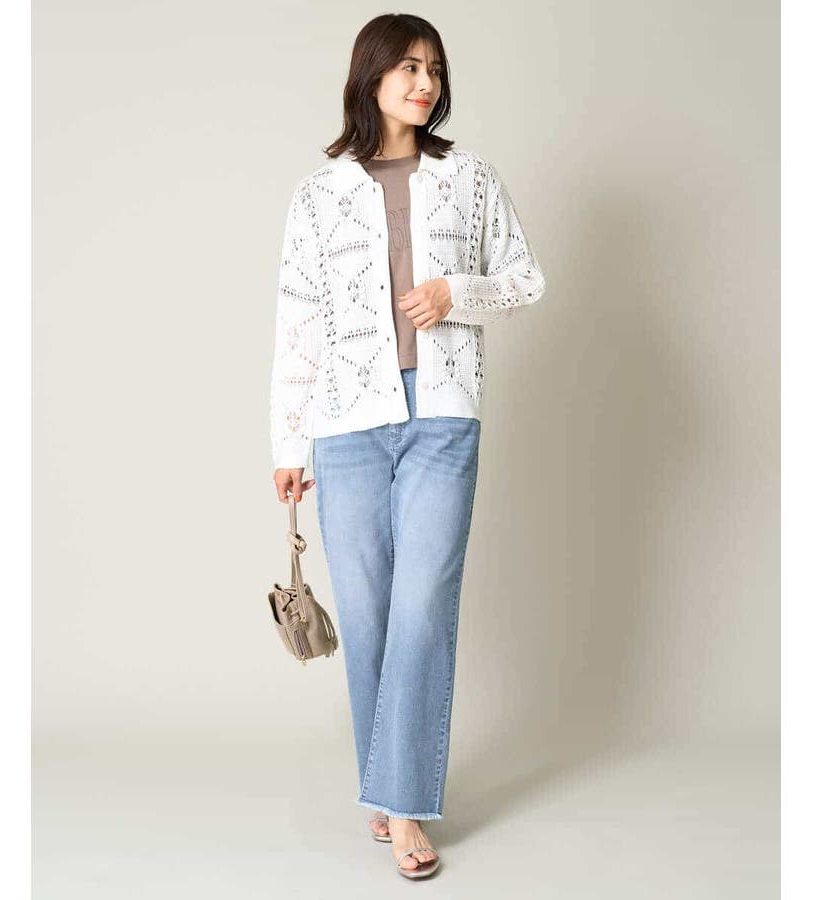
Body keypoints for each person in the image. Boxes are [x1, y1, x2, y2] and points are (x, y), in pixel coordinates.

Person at [268, 13, 546, 879]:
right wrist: (288, 441)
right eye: (408, 68)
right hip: (347, 423)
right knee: (369, 615)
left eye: (434, 69)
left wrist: (454, 292)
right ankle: (390, 795)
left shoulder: (470, 179)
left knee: (422, 606)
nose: (425, 83)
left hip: (443, 415)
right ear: (372, 78)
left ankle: (405, 808)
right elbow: (298, 321)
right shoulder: (318, 195)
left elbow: (524, 280)